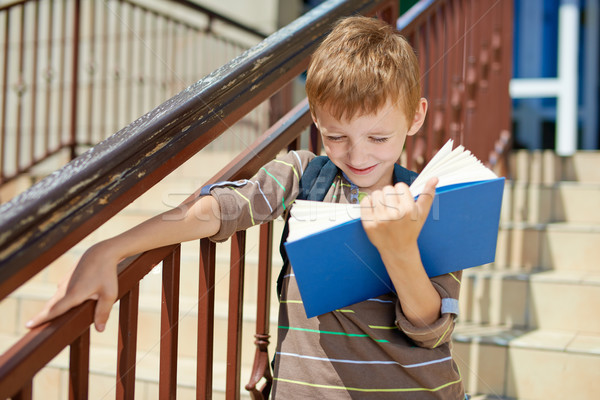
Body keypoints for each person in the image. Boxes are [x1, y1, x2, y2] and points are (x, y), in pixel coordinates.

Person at [28, 16, 465, 399]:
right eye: (336, 137)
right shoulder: (305, 176)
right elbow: (220, 209)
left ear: (416, 117)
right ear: (315, 118)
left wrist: (401, 249)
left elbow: (432, 329)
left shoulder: (432, 200)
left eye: (378, 138)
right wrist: (111, 249)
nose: (357, 155)